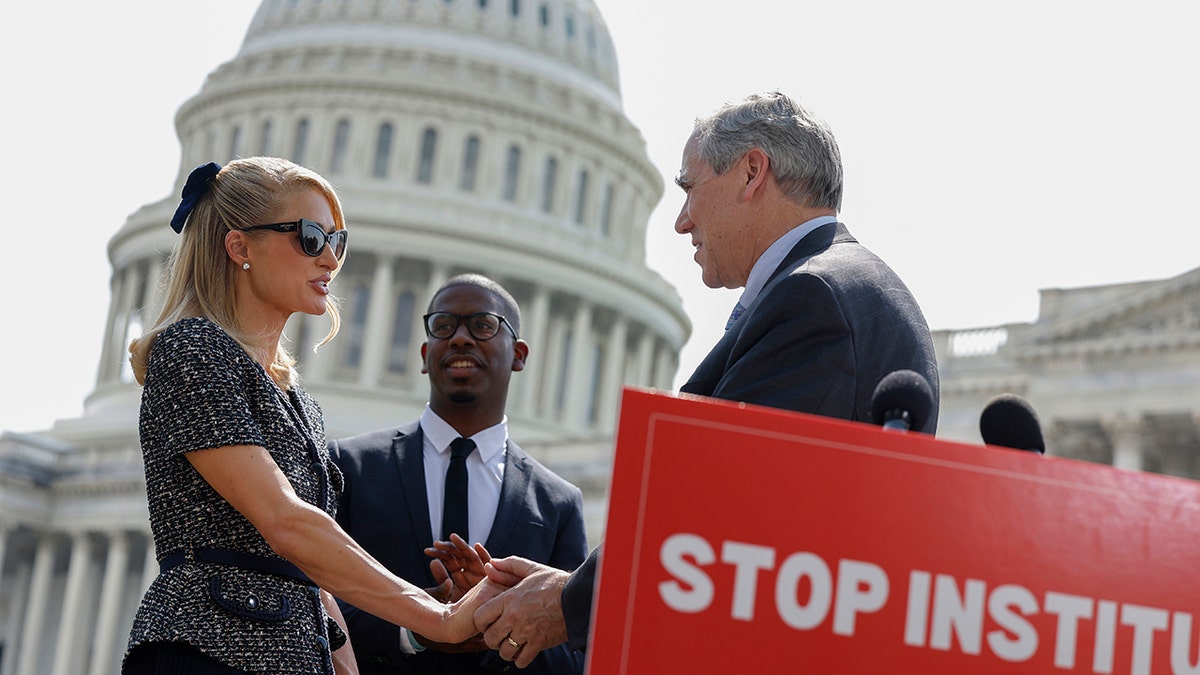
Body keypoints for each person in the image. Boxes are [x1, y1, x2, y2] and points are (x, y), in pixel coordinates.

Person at [471, 91, 941, 666]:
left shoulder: (813, 297)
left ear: (751, 172)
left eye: (690, 188)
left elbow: (724, 503)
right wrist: (568, 587)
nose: (681, 220)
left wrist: (570, 602)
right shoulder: (851, 287)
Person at [123, 158, 498, 675]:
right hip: (206, 649)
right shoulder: (192, 351)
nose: (330, 259)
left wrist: (343, 657)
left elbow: (307, 568)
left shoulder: (296, 396)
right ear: (240, 247)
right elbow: (285, 521)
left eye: (337, 241)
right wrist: (438, 616)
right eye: (311, 236)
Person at [329, 274, 588, 674]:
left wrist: (494, 619)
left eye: (482, 325)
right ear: (424, 353)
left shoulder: (557, 502)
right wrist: (416, 626)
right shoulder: (351, 465)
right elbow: (314, 602)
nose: (461, 338)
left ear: (519, 355)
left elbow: (573, 652)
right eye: (443, 326)